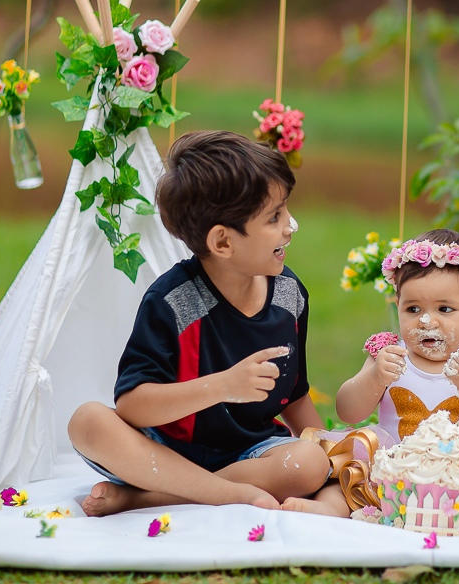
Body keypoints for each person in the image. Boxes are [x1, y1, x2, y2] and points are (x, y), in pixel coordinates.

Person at [69, 130, 330, 516]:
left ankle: (152, 499)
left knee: (311, 463)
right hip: (163, 453)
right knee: (87, 421)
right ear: (223, 243)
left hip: (251, 455)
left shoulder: (290, 295)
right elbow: (133, 406)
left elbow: (295, 394)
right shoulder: (171, 301)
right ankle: (227, 493)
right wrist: (223, 386)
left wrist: (330, 447)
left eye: (286, 210)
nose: (291, 225)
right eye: (274, 217)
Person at [282, 229, 459, 535]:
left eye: (445, 309)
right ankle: (329, 508)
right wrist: (374, 378)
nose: (426, 321)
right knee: (351, 475)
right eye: (413, 309)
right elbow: (347, 411)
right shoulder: (389, 354)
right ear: (398, 305)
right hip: (393, 472)